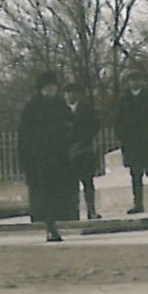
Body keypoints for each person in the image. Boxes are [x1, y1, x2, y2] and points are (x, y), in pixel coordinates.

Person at [18, 71, 79, 242]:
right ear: (42, 88)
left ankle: (54, 225)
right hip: (39, 158)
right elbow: (24, 136)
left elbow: (71, 127)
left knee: (57, 194)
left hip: (59, 157)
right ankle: (49, 226)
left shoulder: (61, 105)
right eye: (48, 87)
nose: (51, 90)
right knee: (43, 194)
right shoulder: (31, 108)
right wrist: (25, 160)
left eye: (53, 87)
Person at [114, 68, 148, 213]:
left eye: (137, 79)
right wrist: (123, 135)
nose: (134, 82)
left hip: (147, 139)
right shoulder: (123, 100)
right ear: (128, 82)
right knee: (135, 174)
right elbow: (117, 120)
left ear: (142, 81)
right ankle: (138, 203)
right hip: (131, 142)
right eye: (132, 79)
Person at [62, 82, 103, 221]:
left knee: (88, 182)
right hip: (67, 152)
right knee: (71, 185)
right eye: (67, 92)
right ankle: (74, 213)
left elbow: (95, 126)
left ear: (78, 94)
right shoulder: (60, 111)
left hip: (84, 150)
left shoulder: (87, 109)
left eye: (72, 92)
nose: (70, 95)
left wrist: (84, 139)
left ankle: (91, 211)